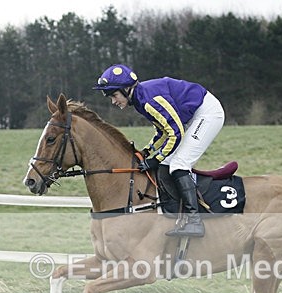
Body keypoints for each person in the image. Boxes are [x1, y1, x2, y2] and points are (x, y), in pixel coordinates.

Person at [92, 64, 225, 238]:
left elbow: (175, 132)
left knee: (179, 164)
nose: (113, 101)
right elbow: (162, 131)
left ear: (126, 89)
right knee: (166, 165)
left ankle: (195, 222)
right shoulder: (140, 100)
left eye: (114, 95)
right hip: (192, 118)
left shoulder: (148, 100)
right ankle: (179, 216)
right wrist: (147, 152)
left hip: (207, 114)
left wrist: (156, 157)